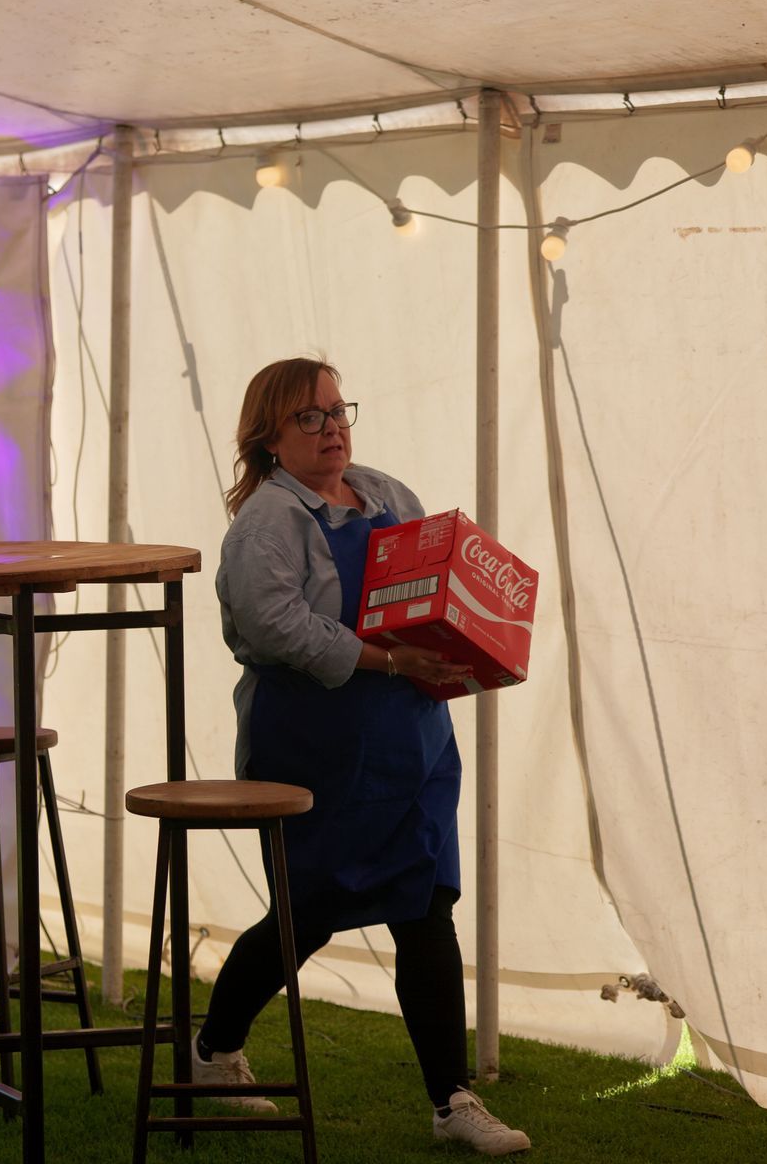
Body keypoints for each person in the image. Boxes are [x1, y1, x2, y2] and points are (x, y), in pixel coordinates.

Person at [199, 356, 531, 1156]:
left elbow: (433, 582)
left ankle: (453, 1101)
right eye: (309, 418)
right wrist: (388, 660)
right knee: (306, 914)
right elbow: (278, 628)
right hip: (314, 746)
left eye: (337, 410)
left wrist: (466, 635)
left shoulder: (387, 494)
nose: (333, 428)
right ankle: (212, 1053)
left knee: (425, 904)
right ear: (270, 438)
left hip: (408, 738)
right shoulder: (265, 525)